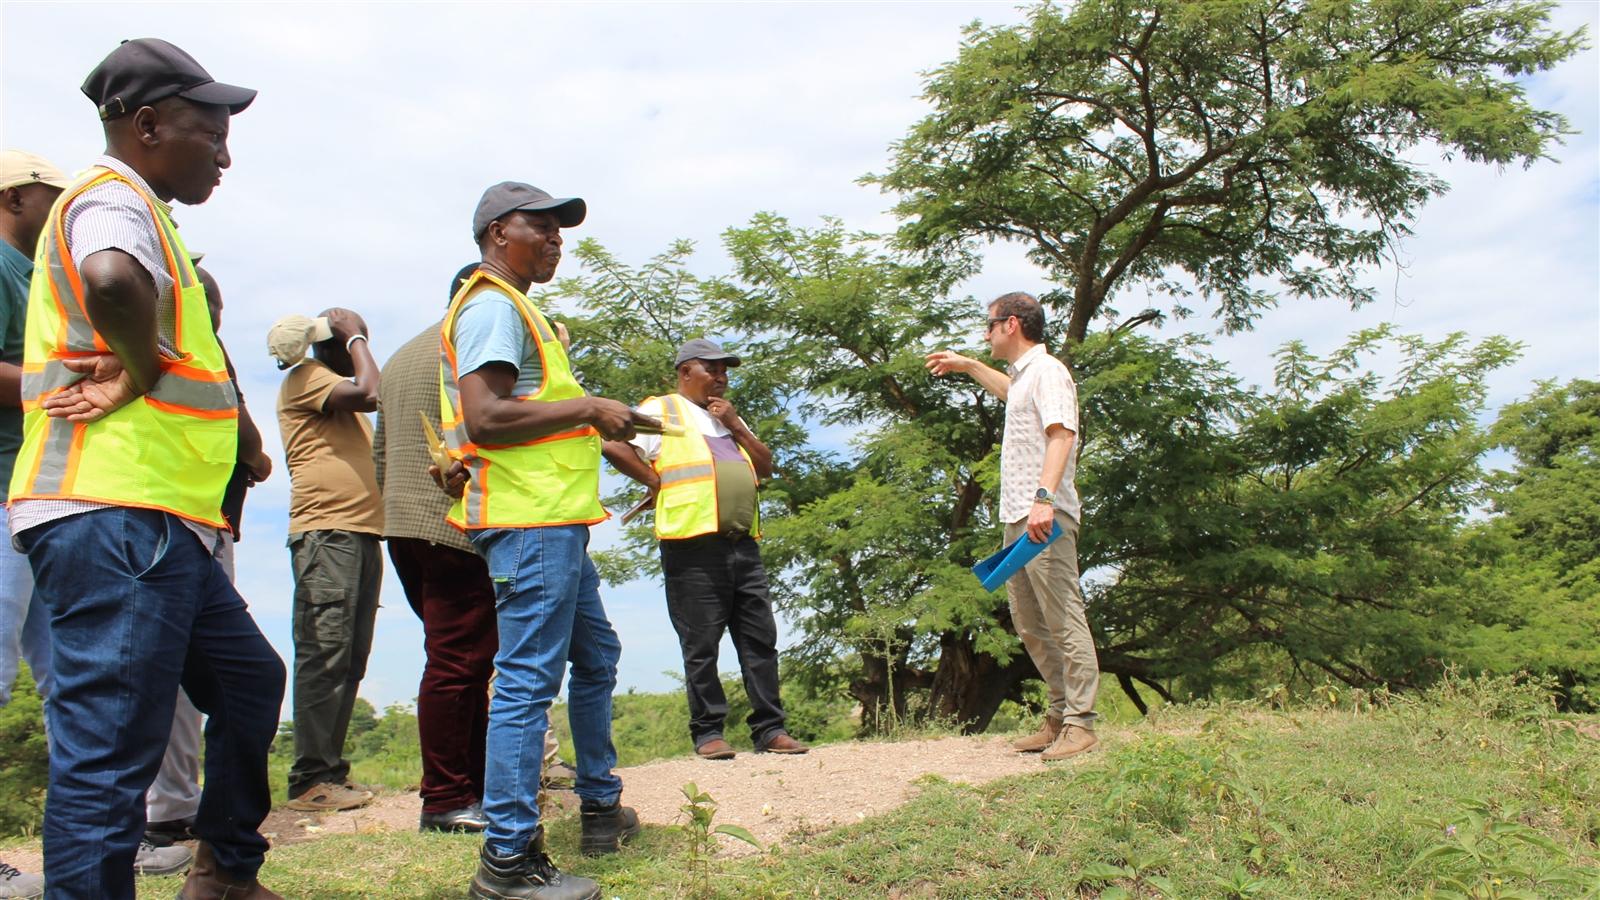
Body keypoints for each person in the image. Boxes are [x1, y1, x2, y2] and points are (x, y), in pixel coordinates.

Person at [7, 38, 285, 898]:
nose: (225, 155)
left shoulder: (152, 217)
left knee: (249, 682)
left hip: (162, 522)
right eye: (212, 134)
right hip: (110, 513)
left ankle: (223, 873)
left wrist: (218, 427)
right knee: (109, 755)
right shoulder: (112, 201)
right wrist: (147, 360)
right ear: (149, 125)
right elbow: (111, 282)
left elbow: (165, 340)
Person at [443, 182, 645, 900]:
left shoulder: (520, 310)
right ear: (499, 231)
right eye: (543, 227)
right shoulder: (494, 306)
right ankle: (507, 863)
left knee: (597, 655)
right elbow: (487, 417)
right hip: (529, 524)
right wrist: (591, 406)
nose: (557, 239)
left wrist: (613, 437)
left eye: (564, 229)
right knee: (527, 682)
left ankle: (598, 805)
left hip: (557, 520)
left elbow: (542, 416)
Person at [603, 339, 808, 760]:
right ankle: (709, 732)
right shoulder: (663, 409)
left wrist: (736, 424)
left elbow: (766, 465)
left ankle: (770, 729)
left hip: (742, 544)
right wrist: (653, 480)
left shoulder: (728, 417)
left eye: (724, 370)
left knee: (759, 640)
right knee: (702, 642)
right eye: (711, 369)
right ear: (685, 372)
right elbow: (613, 445)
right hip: (691, 546)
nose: (721, 377)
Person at [925, 292, 1100, 760]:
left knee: (1061, 615)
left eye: (990, 325)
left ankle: (1081, 723)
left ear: (1013, 324)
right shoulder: (1025, 379)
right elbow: (1010, 392)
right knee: (1030, 621)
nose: (986, 334)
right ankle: (1060, 715)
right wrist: (968, 366)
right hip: (1018, 516)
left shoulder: (1049, 372)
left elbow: (1062, 434)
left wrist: (1044, 500)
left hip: (1043, 513)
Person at [143, 263, 274, 850]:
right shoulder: (174, 343)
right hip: (160, 524)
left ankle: (218, 859)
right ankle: (162, 817)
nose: (213, 317)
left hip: (201, 522)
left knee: (247, 677)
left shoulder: (196, 345)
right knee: (150, 681)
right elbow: (244, 436)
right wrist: (254, 455)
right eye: (207, 306)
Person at [372, 263, 495, 833]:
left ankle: (473, 787)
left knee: (460, 661)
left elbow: (380, 453)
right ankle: (445, 799)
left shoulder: (399, 356)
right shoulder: (465, 347)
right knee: (458, 662)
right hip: (454, 525)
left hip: (402, 524)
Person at [269, 307, 383, 812]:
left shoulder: (329, 389)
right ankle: (310, 778)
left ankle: (328, 773)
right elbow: (371, 391)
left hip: (357, 534)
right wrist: (355, 335)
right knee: (324, 654)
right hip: (326, 534)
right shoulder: (308, 377)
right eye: (347, 342)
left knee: (349, 659)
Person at [0, 148, 69, 900]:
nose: (59, 206)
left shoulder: (31, 273)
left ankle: (78, 842)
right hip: (3, 490)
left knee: (67, 679)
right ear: (16, 195)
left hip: (38, 496)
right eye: (50, 194)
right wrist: (68, 379)